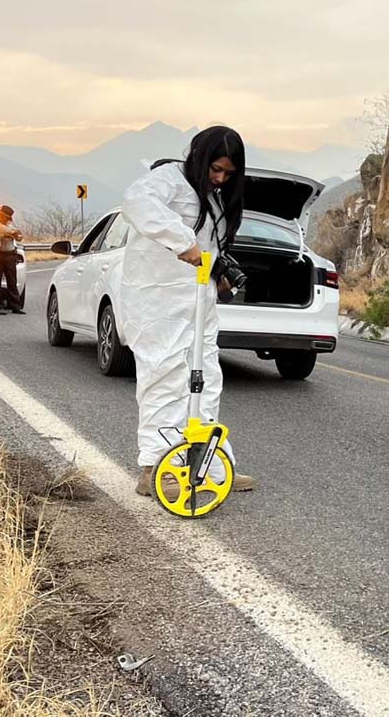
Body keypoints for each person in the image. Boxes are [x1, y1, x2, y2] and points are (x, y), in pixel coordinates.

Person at [119, 125, 256, 500]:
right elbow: (136, 202)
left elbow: (209, 247)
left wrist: (218, 273)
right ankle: (156, 468)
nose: (220, 178)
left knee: (206, 380)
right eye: (216, 169)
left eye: (228, 173)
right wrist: (183, 242)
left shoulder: (214, 197)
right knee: (164, 379)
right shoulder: (169, 178)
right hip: (157, 300)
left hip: (197, 300)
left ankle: (208, 465)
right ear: (199, 157)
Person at [0, 204, 25, 314]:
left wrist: (13, 234)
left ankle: (15, 306)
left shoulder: (10, 224)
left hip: (10, 255)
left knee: (12, 281)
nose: (5, 218)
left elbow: (19, 236)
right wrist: (10, 234)